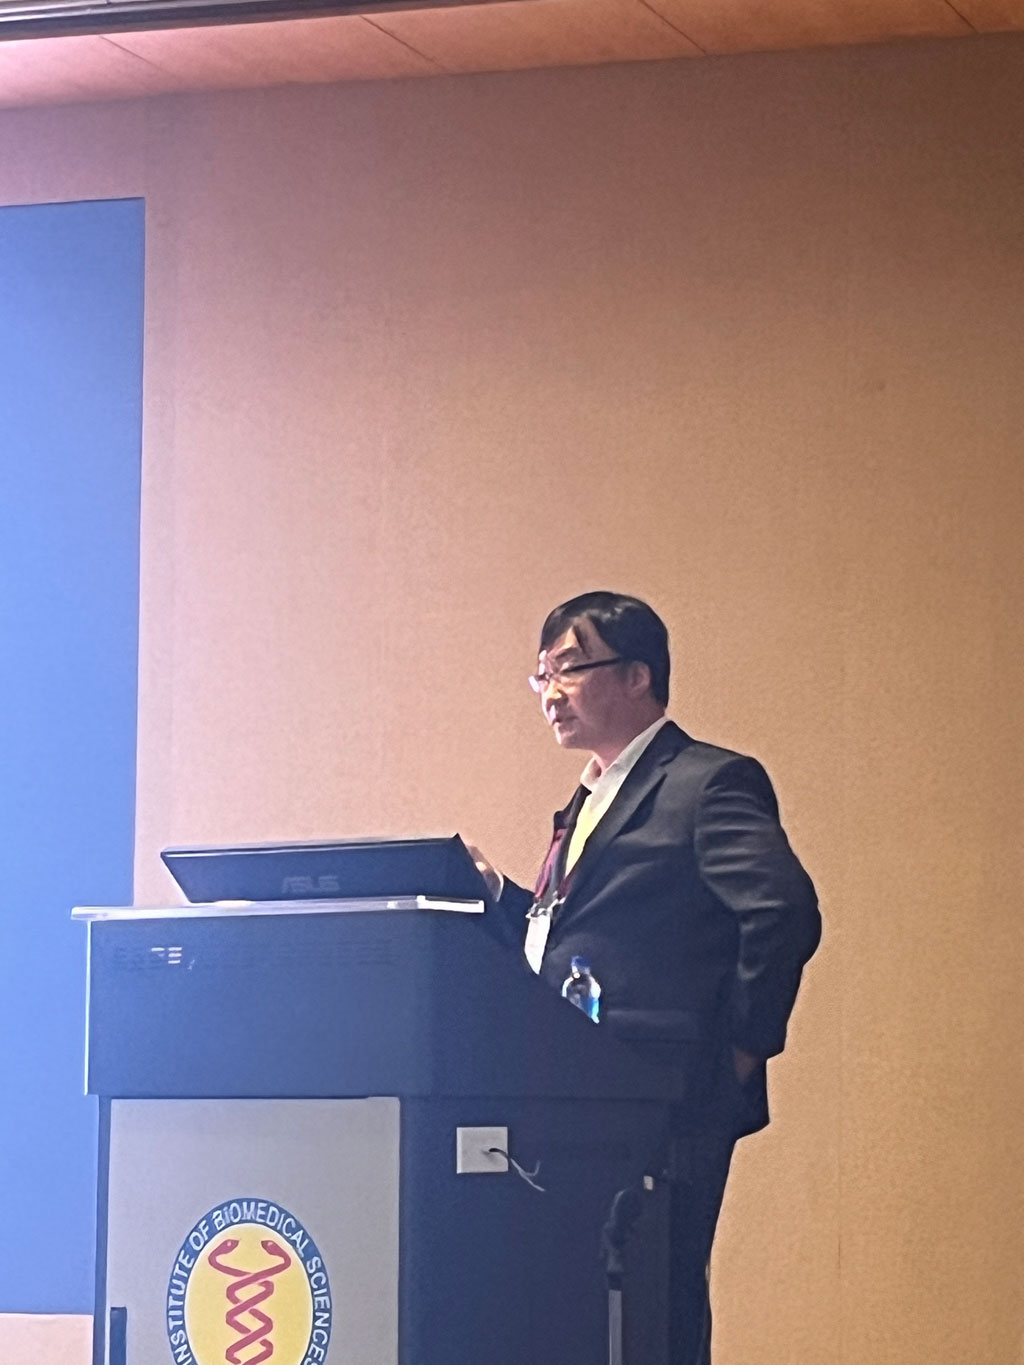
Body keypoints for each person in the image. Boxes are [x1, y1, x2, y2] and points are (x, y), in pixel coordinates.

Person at [478, 590, 820, 1365]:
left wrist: (741, 1048)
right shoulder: (589, 799)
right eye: (541, 674)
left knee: (654, 1309)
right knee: (587, 1311)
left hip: (666, 1094)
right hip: (579, 1097)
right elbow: (582, 935)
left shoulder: (706, 782)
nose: (551, 692)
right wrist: (498, 897)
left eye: (569, 667)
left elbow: (782, 911)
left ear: (637, 675)